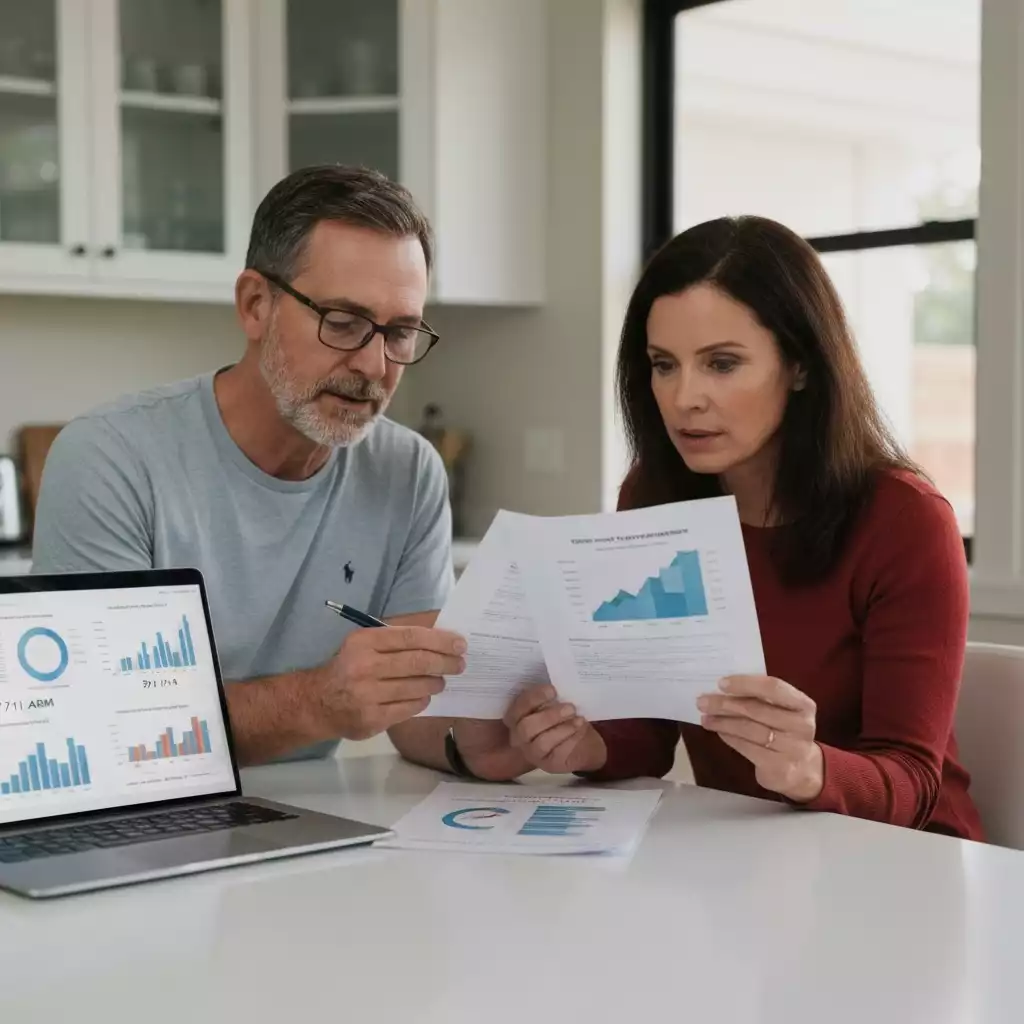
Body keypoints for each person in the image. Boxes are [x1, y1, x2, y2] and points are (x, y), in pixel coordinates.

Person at [483, 215, 984, 838]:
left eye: (721, 364)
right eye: (663, 365)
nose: (684, 396)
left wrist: (809, 767)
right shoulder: (653, 496)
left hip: (907, 864)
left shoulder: (905, 520)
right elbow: (650, 732)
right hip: (749, 851)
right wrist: (584, 744)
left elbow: (912, 780)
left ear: (799, 366)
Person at [30, 164, 520, 771]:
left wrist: (493, 743)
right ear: (255, 305)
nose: (373, 364)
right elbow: (106, 723)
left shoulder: (408, 470)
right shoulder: (110, 459)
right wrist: (319, 702)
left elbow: (414, 711)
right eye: (342, 322)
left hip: (306, 823)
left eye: (399, 333)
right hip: (138, 818)